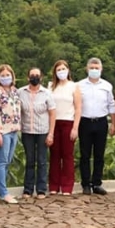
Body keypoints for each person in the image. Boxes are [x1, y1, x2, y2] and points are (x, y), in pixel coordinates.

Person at [77, 57, 115, 196]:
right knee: (85, 155)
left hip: (101, 122)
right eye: (91, 68)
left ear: (101, 69)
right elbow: (75, 105)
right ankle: (86, 184)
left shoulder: (107, 86)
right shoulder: (79, 85)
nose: (94, 70)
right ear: (87, 69)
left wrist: (113, 123)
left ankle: (97, 183)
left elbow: (111, 105)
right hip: (85, 122)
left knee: (99, 154)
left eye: (97, 68)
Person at [18, 67, 56, 199]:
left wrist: (51, 133)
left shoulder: (47, 93)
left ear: (41, 77)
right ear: (28, 77)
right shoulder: (20, 92)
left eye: (37, 75)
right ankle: (28, 189)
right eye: (32, 75)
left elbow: (52, 114)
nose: (35, 77)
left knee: (42, 161)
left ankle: (41, 189)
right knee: (29, 160)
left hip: (42, 131)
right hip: (27, 131)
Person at [0, 64, 22, 204]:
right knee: (1, 161)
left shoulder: (15, 91)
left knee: (7, 161)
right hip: (3, 131)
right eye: (2, 75)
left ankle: (0, 191)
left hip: (14, 130)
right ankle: (3, 193)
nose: (5, 77)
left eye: (8, 75)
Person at [48, 60, 82, 196]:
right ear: (55, 72)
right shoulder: (51, 87)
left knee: (67, 155)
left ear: (68, 70)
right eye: (58, 70)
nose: (61, 72)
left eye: (63, 69)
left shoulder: (74, 86)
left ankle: (67, 186)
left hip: (68, 122)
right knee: (54, 155)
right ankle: (54, 185)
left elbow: (78, 108)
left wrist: (75, 127)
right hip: (54, 123)